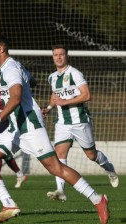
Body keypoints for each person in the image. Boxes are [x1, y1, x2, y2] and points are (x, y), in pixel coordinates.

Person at [0, 34, 110, 224]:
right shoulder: (14, 67)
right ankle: (9, 205)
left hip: (29, 128)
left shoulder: (11, 68)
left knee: (56, 168)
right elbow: (31, 81)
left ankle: (98, 200)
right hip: (15, 129)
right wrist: (32, 103)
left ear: (1, 49)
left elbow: (15, 97)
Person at [42, 44, 119, 202]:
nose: (58, 57)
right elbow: (55, 95)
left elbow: (86, 95)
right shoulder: (52, 77)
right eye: (55, 55)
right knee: (59, 154)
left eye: (61, 54)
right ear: (52, 57)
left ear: (67, 56)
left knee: (91, 155)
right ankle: (60, 190)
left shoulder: (75, 73)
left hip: (79, 121)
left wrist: (66, 101)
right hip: (62, 122)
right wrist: (49, 107)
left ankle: (109, 169)